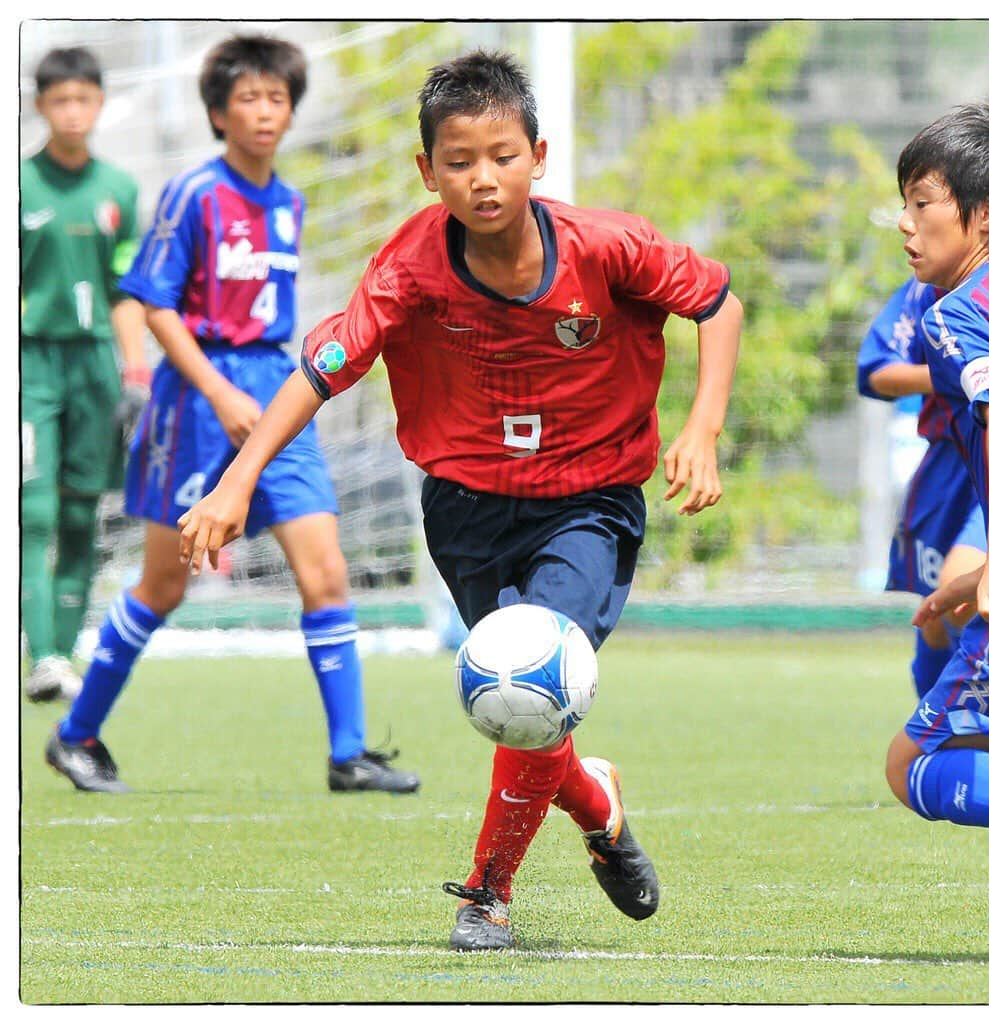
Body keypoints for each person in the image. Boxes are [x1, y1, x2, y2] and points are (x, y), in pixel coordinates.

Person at [178, 50, 742, 949]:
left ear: (539, 155)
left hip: (588, 501)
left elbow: (717, 301)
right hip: (467, 507)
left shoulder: (607, 245)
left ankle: (488, 892)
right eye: (460, 161)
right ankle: (597, 806)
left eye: (503, 156)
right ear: (426, 169)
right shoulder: (409, 266)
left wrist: (702, 429)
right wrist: (236, 482)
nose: (484, 179)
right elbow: (323, 369)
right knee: (522, 701)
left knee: (530, 671)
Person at [44, 34, 420, 797]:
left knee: (326, 570)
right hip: (196, 403)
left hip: (276, 390)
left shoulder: (289, 200)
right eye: (247, 98)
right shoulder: (195, 194)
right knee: (165, 585)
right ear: (218, 113)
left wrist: (257, 388)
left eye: (275, 98)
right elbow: (153, 303)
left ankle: (349, 752)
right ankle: (75, 734)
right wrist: (218, 391)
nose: (263, 111)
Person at [883, 101, 989, 829]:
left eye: (922, 202)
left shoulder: (956, 313)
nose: (905, 221)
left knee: (912, 765)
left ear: (988, 213)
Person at [21, 47, 149, 703]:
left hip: (95, 367)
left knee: (79, 516)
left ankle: (60, 657)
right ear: (40, 106)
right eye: (59, 100)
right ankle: (40, 652)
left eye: (83, 99)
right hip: (29, 362)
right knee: (31, 511)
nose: (72, 112)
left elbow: (124, 289)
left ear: (98, 105)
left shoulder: (119, 190)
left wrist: (136, 372)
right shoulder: (18, 183)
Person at [857, 280, 986, 698]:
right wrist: (954, 370)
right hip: (949, 465)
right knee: (934, 610)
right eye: (907, 208)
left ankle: (972, 731)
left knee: (961, 595)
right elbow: (878, 370)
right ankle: (935, 733)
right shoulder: (924, 291)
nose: (907, 223)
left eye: (922, 208)